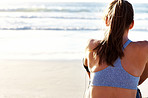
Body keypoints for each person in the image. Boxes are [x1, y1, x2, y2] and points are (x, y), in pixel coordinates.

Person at [83, 0, 148, 98]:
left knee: (91, 79)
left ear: (106, 21)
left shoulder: (92, 46)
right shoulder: (144, 48)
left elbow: (91, 75)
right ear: (132, 24)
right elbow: (138, 80)